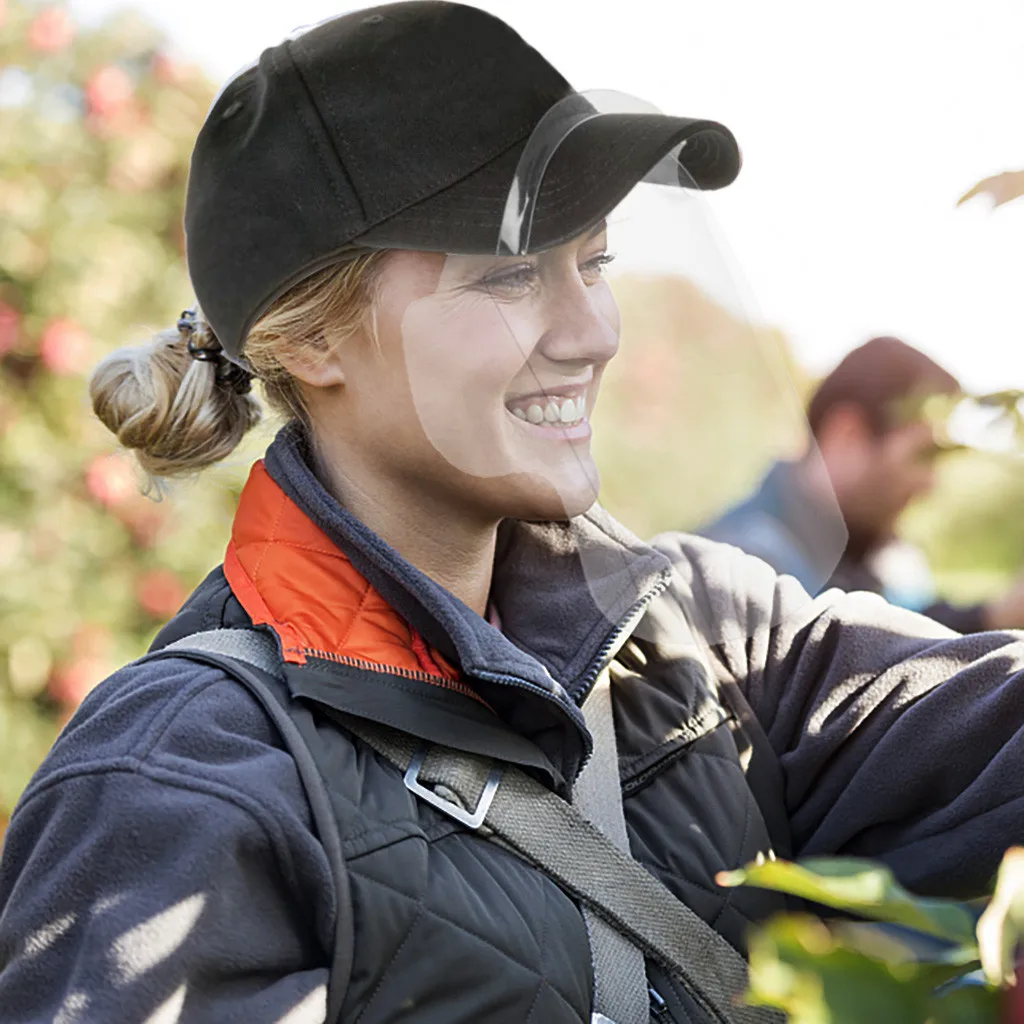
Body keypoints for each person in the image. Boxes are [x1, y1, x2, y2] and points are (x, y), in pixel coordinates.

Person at [3, 5, 1024, 1023]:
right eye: (512, 273)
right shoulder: (180, 781)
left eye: (595, 262)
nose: (592, 331)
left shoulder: (705, 637)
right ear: (317, 340)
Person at [701, 336, 1024, 632]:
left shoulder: (873, 552)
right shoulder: (735, 576)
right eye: (923, 454)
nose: (930, 483)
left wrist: (996, 616)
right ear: (847, 436)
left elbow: (907, 628)